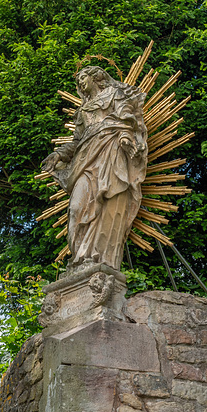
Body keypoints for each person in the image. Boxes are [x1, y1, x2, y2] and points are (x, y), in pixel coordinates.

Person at [42, 66, 148, 270]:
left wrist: (126, 139)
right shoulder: (82, 111)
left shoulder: (114, 95)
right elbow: (77, 141)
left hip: (111, 152)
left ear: (95, 78)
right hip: (84, 160)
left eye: (83, 77)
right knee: (75, 209)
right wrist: (59, 154)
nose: (80, 83)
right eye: (78, 80)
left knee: (108, 204)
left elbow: (127, 122)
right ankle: (79, 257)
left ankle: (99, 259)